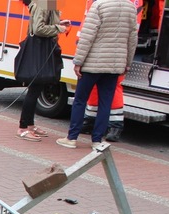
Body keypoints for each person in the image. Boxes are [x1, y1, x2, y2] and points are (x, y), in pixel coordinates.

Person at [56, 0, 137, 150]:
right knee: (105, 103)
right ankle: (97, 140)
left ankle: (72, 138)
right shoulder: (130, 7)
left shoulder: (99, 5)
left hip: (92, 64)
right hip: (114, 65)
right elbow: (132, 39)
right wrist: (127, 63)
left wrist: (78, 61)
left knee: (80, 100)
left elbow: (87, 37)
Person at [79, 0, 143, 142]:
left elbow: (130, 33)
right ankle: (91, 120)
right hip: (106, 51)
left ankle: (114, 124)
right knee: (98, 88)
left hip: (107, 51)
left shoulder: (125, 4)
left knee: (113, 88)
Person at [16, 0, 70, 142]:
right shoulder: (43, 3)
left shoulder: (48, 2)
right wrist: (59, 28)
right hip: (40, 50)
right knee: (34, 90)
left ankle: (30, 125)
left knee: (36, 89)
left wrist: (59, 24)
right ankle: (23, 128)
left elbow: (44, 22)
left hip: (42, 49)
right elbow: (38, 29)